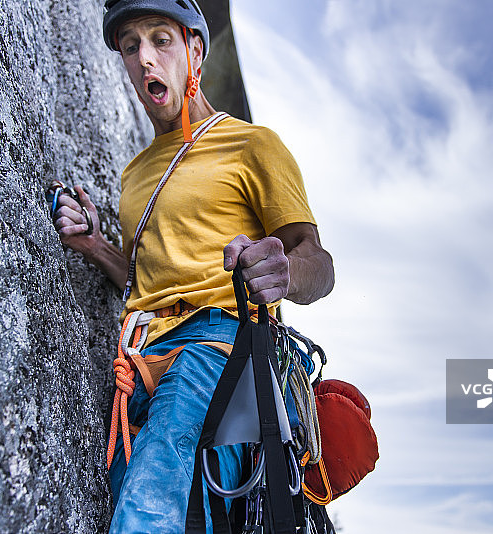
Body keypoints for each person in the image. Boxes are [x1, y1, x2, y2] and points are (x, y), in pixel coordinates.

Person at [51, 0, 334, 531]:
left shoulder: (252, 145)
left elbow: (319, 262)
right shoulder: (136, 174)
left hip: (220, 348)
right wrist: (96, 246)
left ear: (195, 50)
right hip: (141, 362)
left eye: (161, 39)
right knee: (154, 504)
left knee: (148, 510)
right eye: (131, 46)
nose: (144, 60)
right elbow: (145, 281)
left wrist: (286, 272)